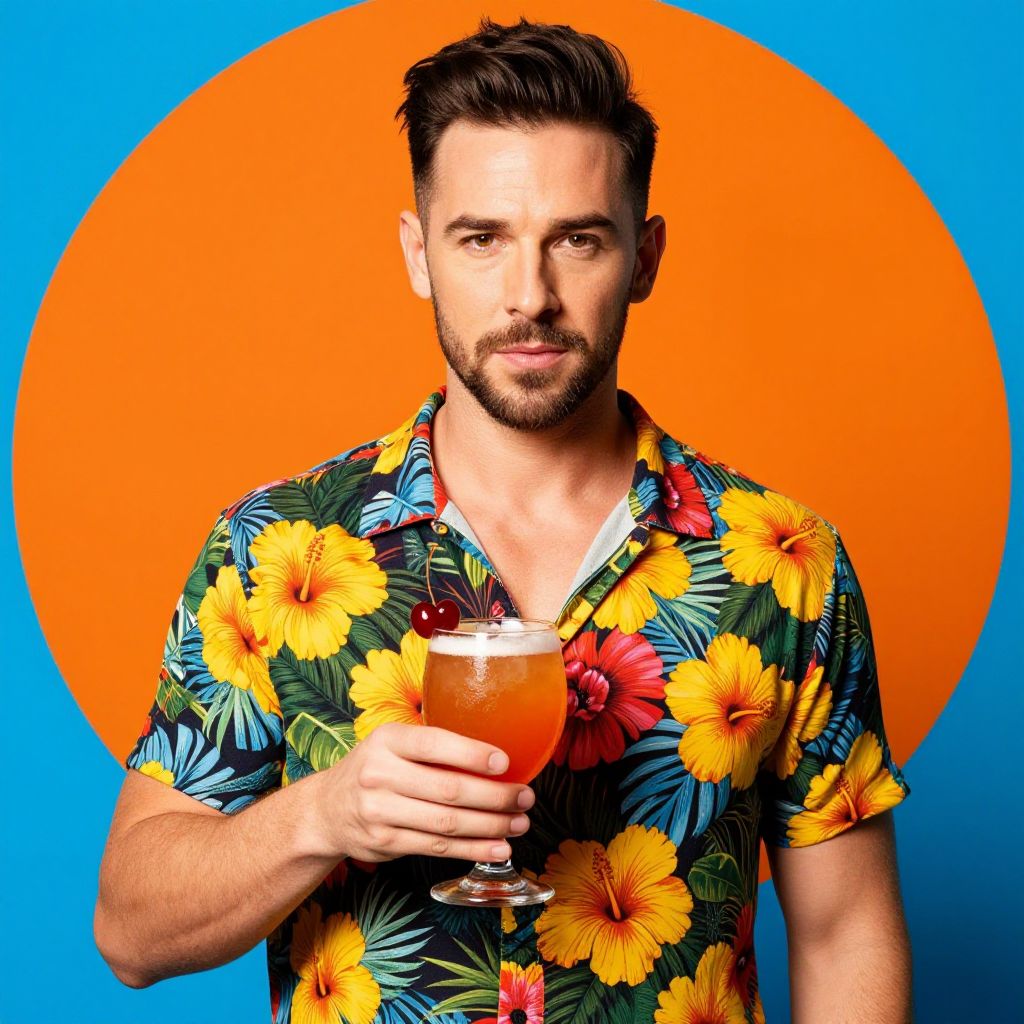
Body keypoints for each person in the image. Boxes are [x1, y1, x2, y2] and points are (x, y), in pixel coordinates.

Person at [94, 15, 912, 1024]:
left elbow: (844, 933)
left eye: (578, 239)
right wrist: (322, 813)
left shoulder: (782, 561)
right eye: (481, 238)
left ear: (644, 258)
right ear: (418, 253)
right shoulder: (276, 551)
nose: (530, 296)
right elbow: (130, 931)